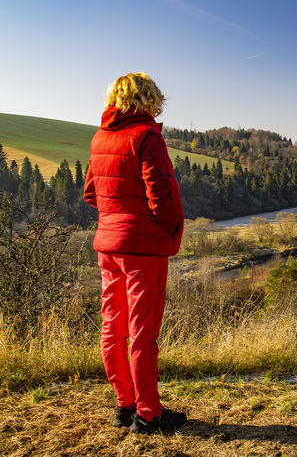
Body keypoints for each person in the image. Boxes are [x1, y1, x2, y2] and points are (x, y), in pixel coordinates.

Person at [84, 72, 186, 434]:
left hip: (109, 244)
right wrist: (172, 229)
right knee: (143, 333)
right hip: (143, 247)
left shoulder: (100, 138)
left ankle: (125, 406)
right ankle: (149, 414)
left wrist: (115, 218)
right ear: (149, 99)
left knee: (113, 328)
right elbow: (160, 193)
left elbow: (90, 193)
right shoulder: (146, 136)